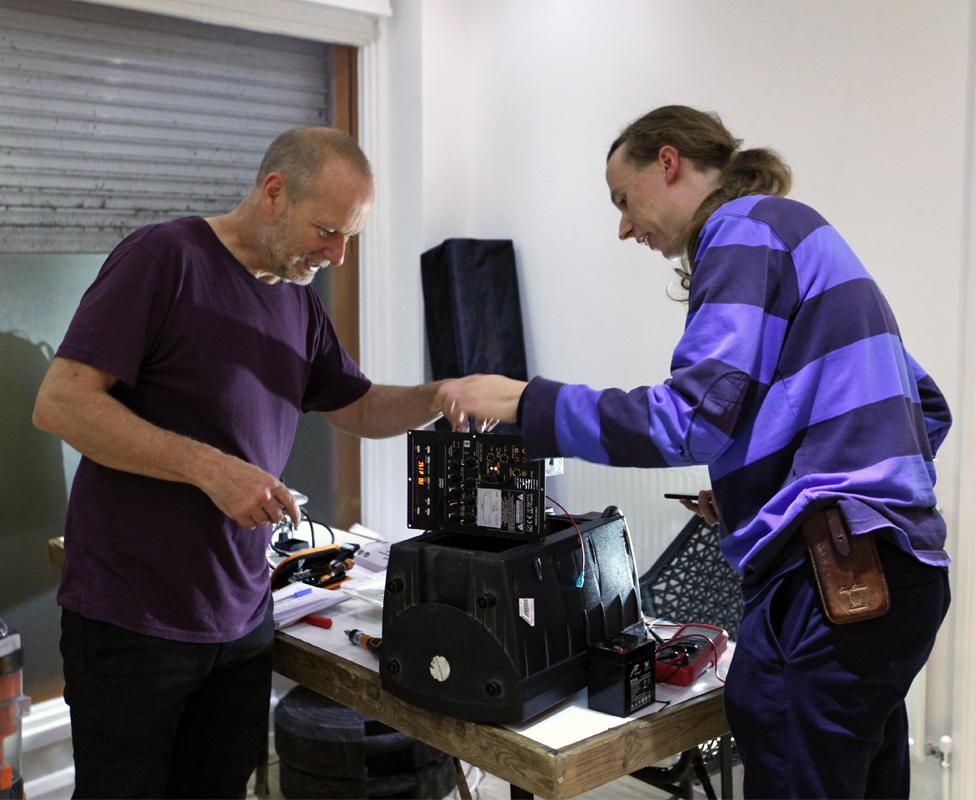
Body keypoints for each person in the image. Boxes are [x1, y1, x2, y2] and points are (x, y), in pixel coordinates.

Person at [433, 105, 951, 799]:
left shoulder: (741, 230)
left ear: (669, 162)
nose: (623, 225)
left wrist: (529, 404)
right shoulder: (796, 235)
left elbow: (692, 418)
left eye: (624, 198)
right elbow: (927, 408)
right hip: (894, 578)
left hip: (826, 582)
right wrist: (769, 485)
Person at [33, 127, 446, 799]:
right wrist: (211, 468)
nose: (337, 255)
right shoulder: (164, 258)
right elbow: (61, 403)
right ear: (274, 193)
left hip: (241, 617)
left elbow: (359, 407)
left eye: (350, 238)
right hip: (134, 616)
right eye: (327, 230)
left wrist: (437, 395)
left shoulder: (295, 300)